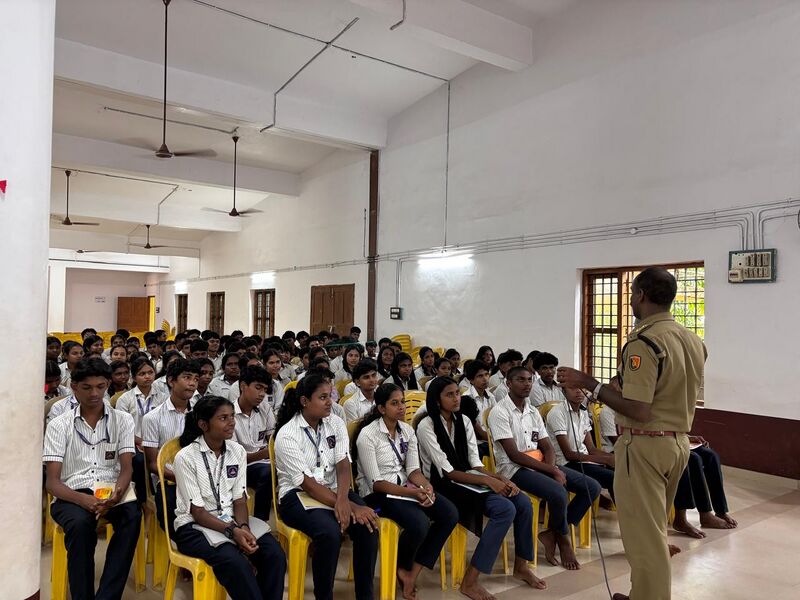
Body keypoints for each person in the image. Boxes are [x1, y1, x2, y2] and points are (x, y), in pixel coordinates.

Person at [557, 267, 706, 600]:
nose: (631, 300)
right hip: (677, 442)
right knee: (651, 532)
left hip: (645, 445)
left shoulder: (645, 340)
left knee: (646, 540)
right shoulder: (691, 339)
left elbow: (639, 409)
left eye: (632, 293)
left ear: (640, 295)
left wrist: (589, 384)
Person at [418, 377, 545, 599]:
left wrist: (500, 478)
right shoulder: (426, 425)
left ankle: (521, 565)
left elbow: (475, 464)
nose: (457, 398)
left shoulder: (464, 421)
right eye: (450, 394)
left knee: (522, 502)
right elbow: (447, 472)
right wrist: (488, 482)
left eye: (458, 393)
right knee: (505, 509)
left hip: (469, 478)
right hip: (445, 486)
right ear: (437, 401)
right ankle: (470, 580)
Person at [274, 374, 379, 600]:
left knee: (369, 525)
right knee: (329, 533)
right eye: (322, 397)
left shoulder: (335, 422)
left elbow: (343, 464)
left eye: (330, 395)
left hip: (334, 489)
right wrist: (348, 505)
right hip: (297, 496)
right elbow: (308, 485)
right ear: (304, 401)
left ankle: (365, 595)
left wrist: (344, 500)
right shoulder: (288, 434)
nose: (330, 401)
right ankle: (324, 596)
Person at [43, 358, 141, 600]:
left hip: (111, 489)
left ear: (108, 384)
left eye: (100, 386)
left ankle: (107, 596)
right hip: (72, 492)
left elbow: (127, 468)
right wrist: (82, 500)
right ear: (74, 387)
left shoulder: (122, 420)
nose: (94, 393)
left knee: (132, 516)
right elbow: (52, 482)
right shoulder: (59, 425)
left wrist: (117, 493)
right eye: (86, 387)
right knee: (80, 526)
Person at [172, 395, 286, 600]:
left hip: (231, 519)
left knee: (274, 555)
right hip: (194, 527)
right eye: (223, 418)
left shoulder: (237, 451)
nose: (232, 421)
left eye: (232, 416)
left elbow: (240, 500)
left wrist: (243, 528)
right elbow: (197, 512)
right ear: (203, 424)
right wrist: (233, 532)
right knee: (235, 563)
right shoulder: (186, 457)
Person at [488, 366, 599, 571]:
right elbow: (514, 455)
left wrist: (549, 469)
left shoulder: (533, 411)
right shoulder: (499, 412)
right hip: (513, 469)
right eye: (521, 380)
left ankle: (553, 532)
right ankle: (564, 540)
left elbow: (547, 447)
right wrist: (551, 472)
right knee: (558, 491)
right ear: (508, 383)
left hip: (539, 464)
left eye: (530, 379)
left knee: (591, 487)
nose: (527, 384)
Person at [354, 383, 458, 600]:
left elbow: (412, 470)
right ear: (381, 408)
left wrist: (425, 486)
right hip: (377, 496)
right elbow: (376, 483)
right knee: (418, 522)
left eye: (402, 402)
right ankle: (402, 565)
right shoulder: (368, 435)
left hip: (404, 488)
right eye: (395, 403)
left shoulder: (407, 430)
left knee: (449, 513)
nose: (402, 407)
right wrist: (412, 493)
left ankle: (412, 572)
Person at [142, 358, 200, 534]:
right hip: (168, 478)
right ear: (171, 381)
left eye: (196, 379)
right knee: (173, 515)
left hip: (201, 475)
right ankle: (182, 544)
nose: (192, 383)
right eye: (187, 377)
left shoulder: (201, 413)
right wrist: (183, 478)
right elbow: (153, 464)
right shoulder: (152, 418)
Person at [546, 387, 615, 500]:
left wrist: (612, 457)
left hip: (582, 459)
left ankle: (625, 515)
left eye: (582, 388)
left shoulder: (583, 412)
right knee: (612, 477)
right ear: (564, 391)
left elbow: (591, 448)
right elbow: (569, 454)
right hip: (566, 462)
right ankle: (569, 518)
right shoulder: (557, 413)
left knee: (619, 470)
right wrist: (606, 460)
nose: (578, 391)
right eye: (573, 388)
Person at [116, 357, 164, 503]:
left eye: (150, 372)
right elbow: (121, 428)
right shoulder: (125, 399)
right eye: (142, 374)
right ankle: (143, 499)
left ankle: (160, 494)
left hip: (157, 441)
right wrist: (140, 441)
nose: (147, 376)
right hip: (133, 442)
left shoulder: (162, 397)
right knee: (138, 460)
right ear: (134, 377)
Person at [233, 365, 276, 520]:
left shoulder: (264, 407)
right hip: (240, 467)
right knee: (269, 472)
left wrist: (272, 450)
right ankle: (260, 519)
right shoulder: (228, 413)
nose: (262, 394)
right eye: (258, 388)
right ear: (243, 386)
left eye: (264, 389)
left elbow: (272, 437)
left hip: (264, 459)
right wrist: (267, 453)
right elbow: (235, 457)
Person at [672, 438, 737, 538]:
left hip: (677, 438)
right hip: (659, 439)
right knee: (692, 459)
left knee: (711, 455)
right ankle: (682, 519)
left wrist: (687, 437)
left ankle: (720, 511)